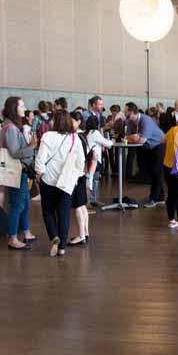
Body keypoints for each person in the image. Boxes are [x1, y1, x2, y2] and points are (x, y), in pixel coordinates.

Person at [35, 109, 85, 258]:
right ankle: (62, 247)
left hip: (48, 180)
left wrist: (39, 174)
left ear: (54, 121)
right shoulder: (75, 138)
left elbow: (40, 159)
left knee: (48, 211)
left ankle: (54, 237)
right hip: (66, 183)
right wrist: (74, 177)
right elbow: (81, 162)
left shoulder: (47, 136)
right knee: (64, 214)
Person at [0, 97, 37, 250]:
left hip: (21, 169)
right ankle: (13, 237)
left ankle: (25, 232)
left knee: (24, 202)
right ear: (14, 108)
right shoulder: (11, 128)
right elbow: (14, 152)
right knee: (17, 204)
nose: (24, 108)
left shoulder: (11, 126)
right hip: (17, 170)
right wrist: (32, 146)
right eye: (22, 106)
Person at [124, 102, 165, 208]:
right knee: (150, 172)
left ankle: (154, 198)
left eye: (126, 112)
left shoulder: (145, 120)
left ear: (132, 112)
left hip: (158, 145)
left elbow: (141, 140)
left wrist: (134, 137)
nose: (125, 114)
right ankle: (160, 196)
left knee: (157, 171)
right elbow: (126, 137)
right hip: (146, 147)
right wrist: (133, 137)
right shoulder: (129, 121)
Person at [67, 111, 90, 246]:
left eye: (72, 121)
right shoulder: (83, 136)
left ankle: (81, 235)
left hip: (77, 174)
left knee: (78, 206)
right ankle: (85, 233)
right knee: (82, 206)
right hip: (81, 173)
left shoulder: (77, 137)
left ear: (78, 121)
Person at [85, 115, 112, 207]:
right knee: (93, 180)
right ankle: (90, 201)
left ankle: (92, 200)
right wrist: (112, 141)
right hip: (95, 160)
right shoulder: (95, 132)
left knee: (91, 179)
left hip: (89, 160)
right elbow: (107, 143)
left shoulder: (87, 132)